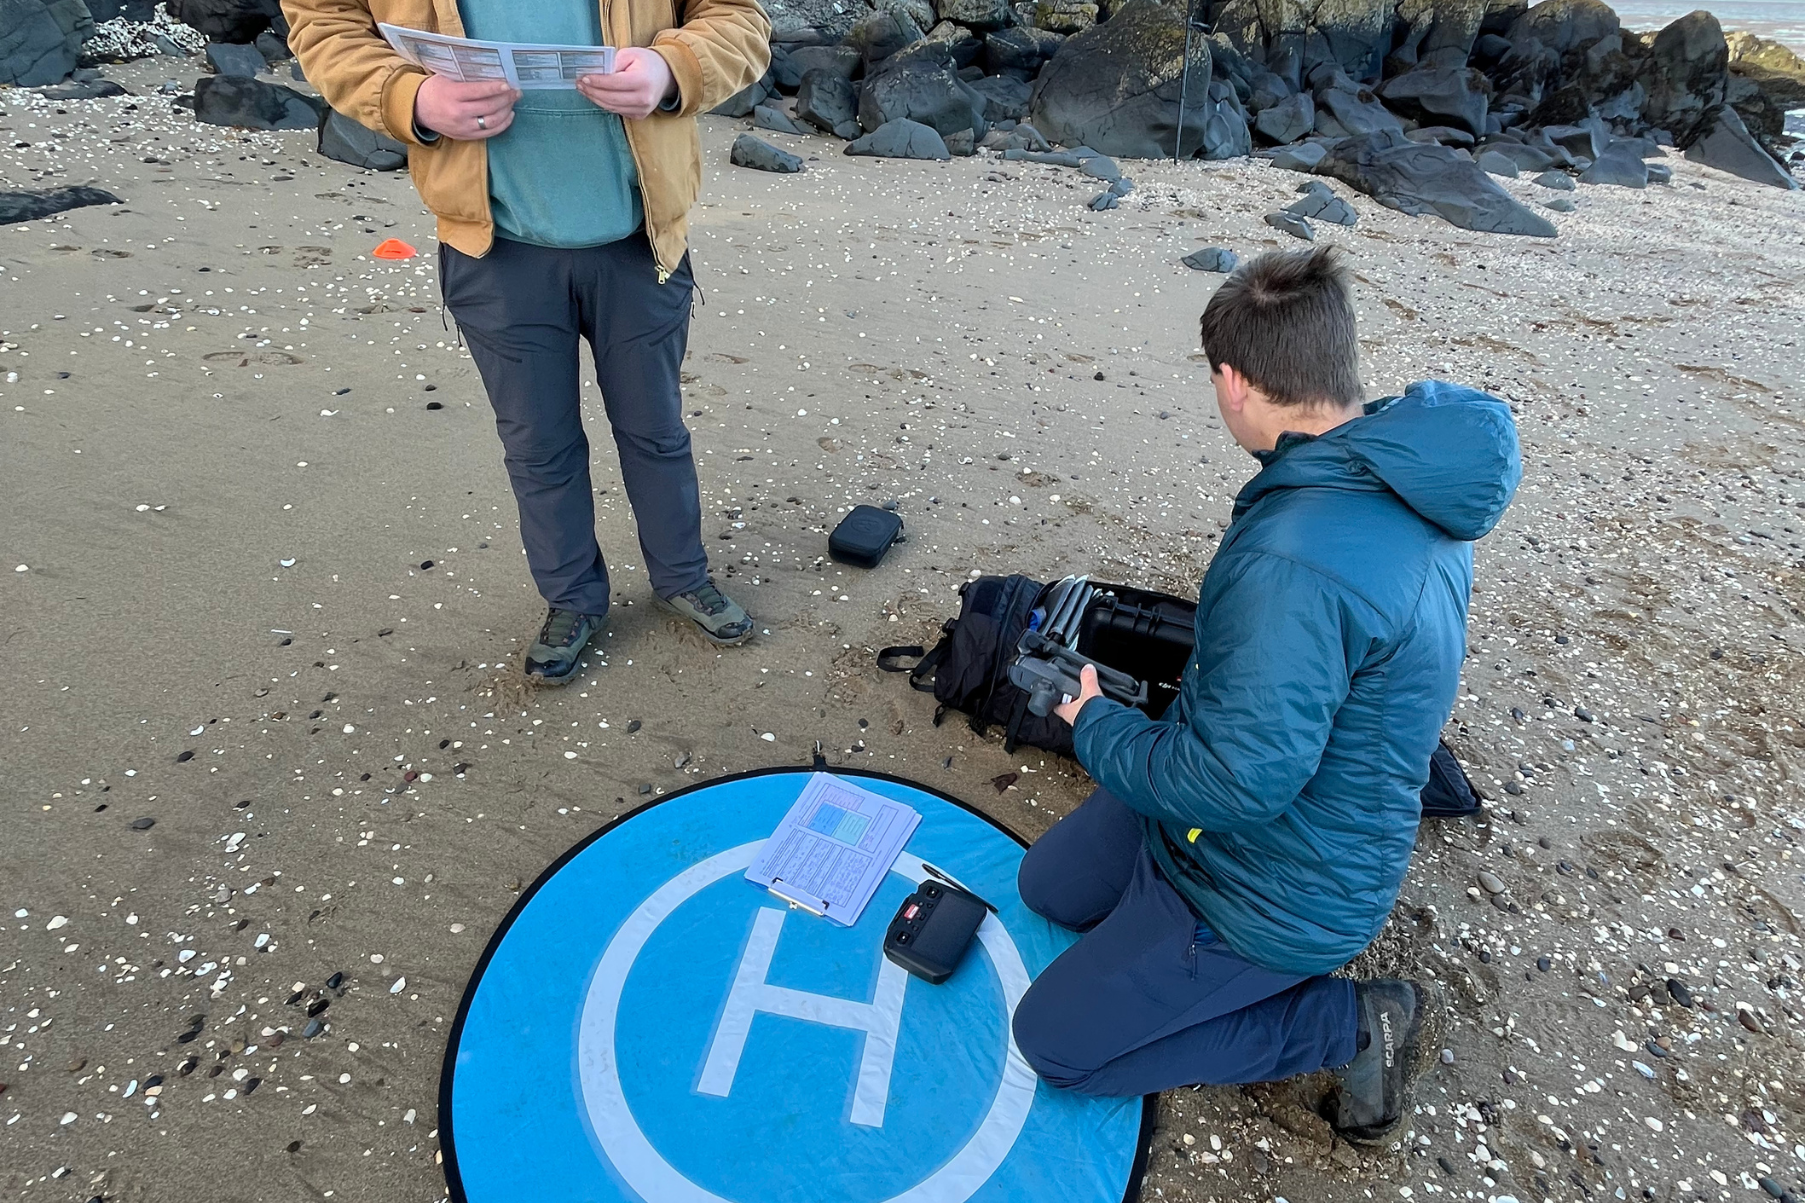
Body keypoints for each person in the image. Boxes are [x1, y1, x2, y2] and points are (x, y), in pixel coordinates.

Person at [1011, 246, 1522, 1143]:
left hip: (1280, 882)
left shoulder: (1293, 553)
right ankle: (1155, 924)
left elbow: (1240, 787)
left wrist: (1092, 722)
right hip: (1263, 805)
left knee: (1055, 1044)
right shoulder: (1403, 475)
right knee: (1048, 886)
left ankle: (1353, 1022)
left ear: (1233, 381)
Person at [284, 0, 771, 682]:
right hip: (493, 250)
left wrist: (673, 68)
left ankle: (683, 577)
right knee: (539, 445)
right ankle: (572, 599)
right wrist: (411, 96)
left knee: (656, 429)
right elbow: (323, 21)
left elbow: (737, 17)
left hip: (641, 240)